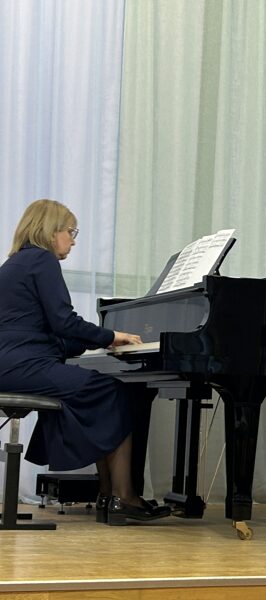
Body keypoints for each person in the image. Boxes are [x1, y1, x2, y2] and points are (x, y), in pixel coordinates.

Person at [0, 199, 170, 525]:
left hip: (11, 363)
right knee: (114, 393)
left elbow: (48, 332)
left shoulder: (15, 263)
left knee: (99, 393)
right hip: (22, 365)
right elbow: (64, 321)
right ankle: (123, 497)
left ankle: (107, 495)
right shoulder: (42, 260)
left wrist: (96, 343)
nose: (73, 240)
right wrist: (111, 336)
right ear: (51, 231)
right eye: (70, 231)